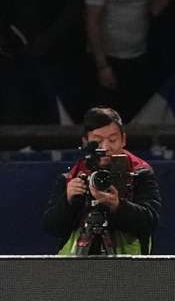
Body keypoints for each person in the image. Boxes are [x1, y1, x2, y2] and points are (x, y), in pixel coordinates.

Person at [41, 107, 161, 255]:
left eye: (112, 140)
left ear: (123, 139)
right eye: (97, 141)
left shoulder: (140, 174)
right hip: (76, 270)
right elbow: (52, 228)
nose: (105, 147)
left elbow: (150, 221)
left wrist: (117, 205)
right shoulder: (71, 178)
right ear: (86, 142)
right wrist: (68, 201)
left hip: (127, 270)